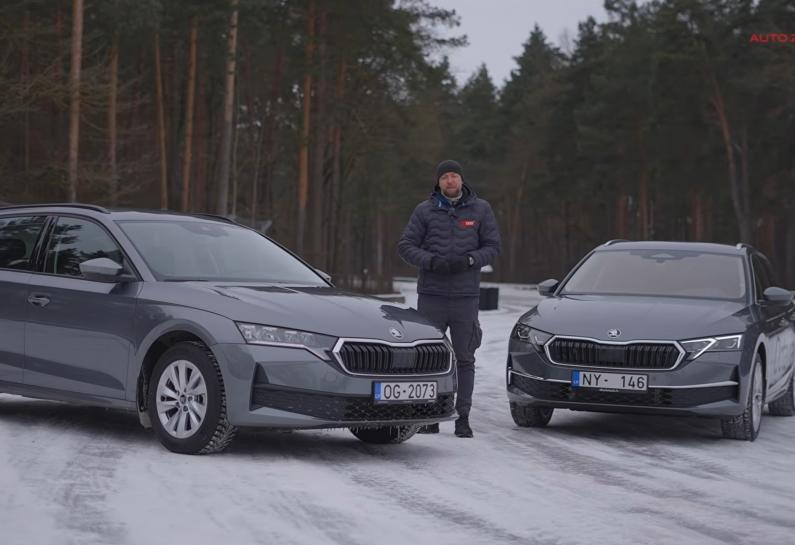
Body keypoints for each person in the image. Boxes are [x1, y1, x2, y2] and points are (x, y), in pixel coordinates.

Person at [397, 159, 501, 438]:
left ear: (461, 180)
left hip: (466, 296)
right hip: (432, 295)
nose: (450, 181)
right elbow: (405, 246)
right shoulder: (424, 210)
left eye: (454, 176)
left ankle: (462, 416)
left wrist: (469, 259)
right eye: (445, 177)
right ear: (439, 182)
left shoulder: (481, 209)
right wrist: (431, 261)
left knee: (465, 357)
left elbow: (492, 246)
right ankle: (430, 415)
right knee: (429, 358)